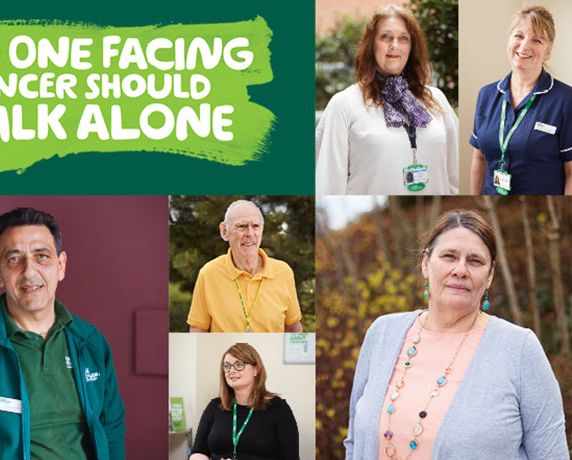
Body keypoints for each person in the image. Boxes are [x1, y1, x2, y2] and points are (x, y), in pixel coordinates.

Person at [343, 210, 568, 459]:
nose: (460, 270)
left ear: (490, 275)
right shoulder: (382, 334)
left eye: (475, 261)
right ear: (426, 264)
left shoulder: (520, 349)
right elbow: (354, 442)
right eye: (449, 256)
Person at [0, 207, 127, 460]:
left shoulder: (91, 343)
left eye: (42, 256)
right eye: (14, 259)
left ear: (60, 266)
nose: (29, 272)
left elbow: (111, 433)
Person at [316, 4, 459, 195]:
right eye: (385, 37)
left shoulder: (436, 99)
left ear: (412, 46)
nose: (395, 45)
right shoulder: (345, 103)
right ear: (371, 45)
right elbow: (328, 184)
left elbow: (456, 174)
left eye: (403, 38)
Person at [469, 6, 572, 196]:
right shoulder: (486, 94)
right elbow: (479, 160)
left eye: (536, 40)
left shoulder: (567, 99)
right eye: (518, 36)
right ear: (509, 41)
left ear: (548, 52)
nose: (524, 46)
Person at [187, 200, 304, 333]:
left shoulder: (284, 272)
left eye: (255, 226)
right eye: (242, 226)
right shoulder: (208, 274)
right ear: (224, 231)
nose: (250, 233)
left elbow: (293, 328)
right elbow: (197, 331)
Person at [190, 343, 299, 460]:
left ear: (256, 370)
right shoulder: (215, 406)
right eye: (227, 366)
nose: (231, 370)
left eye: (239, 365)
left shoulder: (278, 408)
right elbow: (198, 452)